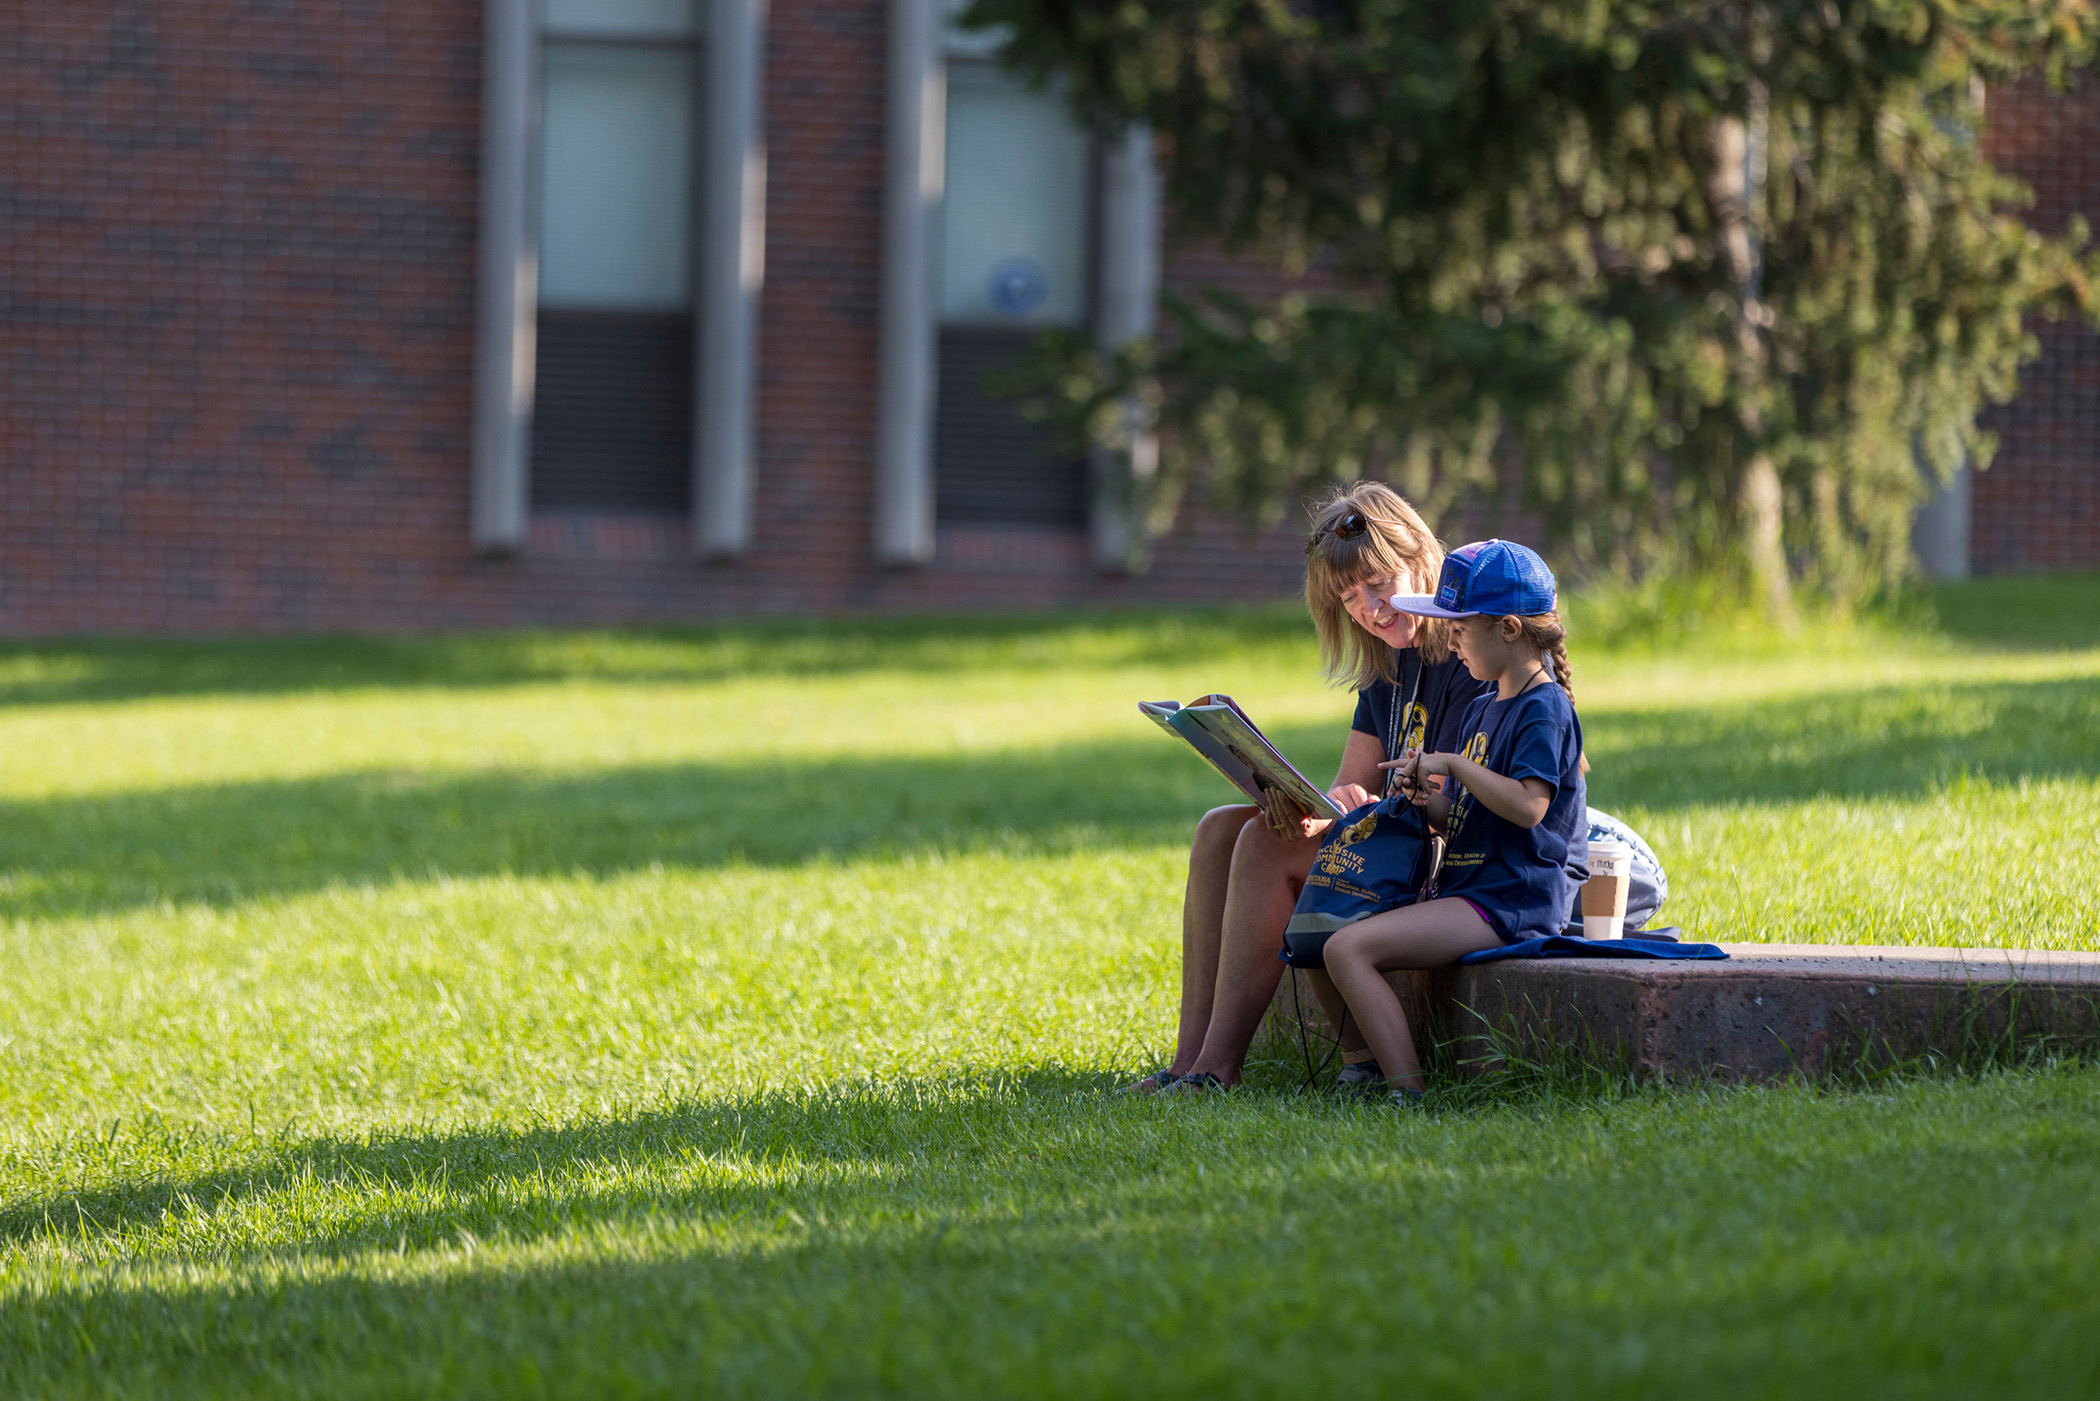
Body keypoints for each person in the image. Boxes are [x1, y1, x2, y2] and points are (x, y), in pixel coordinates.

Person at [1125, 483, 1492, 1094]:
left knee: (1266, 849)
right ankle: (1186, 1064)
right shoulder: (1384, 670)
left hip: (1449, 864)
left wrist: (1373, 810)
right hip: (1394, 846)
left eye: (1379, 583)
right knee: (1223, 827)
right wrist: (1319, 804)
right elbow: (1351, 787)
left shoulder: (1468, 658)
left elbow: (1463, 809)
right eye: (1350, 597)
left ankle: (1218, 1071)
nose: (1370, 609)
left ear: (1420, 557)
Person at [1321, 539, 1588, 1103]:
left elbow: (1529, 807)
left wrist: (1459, 767)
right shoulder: (1481, 705)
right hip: (1472, 890)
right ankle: (1380, 1079)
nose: (1453, 640)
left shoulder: (1545, 708)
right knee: (1333, 933)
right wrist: (1424, 796)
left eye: (1461, 628)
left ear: (1510, 629)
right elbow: (1462, 816)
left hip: (1512, 899)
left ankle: (1405, 1091)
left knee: (1348, 949)